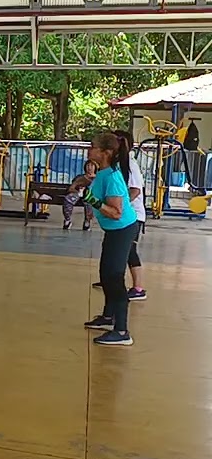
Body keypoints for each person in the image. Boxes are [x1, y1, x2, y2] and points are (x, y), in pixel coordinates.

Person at [81, 131, 141, 346]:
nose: (89, 150)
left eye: (93, 146)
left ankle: (122, 330)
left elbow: (116, 212)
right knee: (105, 273)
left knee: (114, 277)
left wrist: (93, 202)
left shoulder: (113, 177)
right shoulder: (105, 172)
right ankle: (108, 316)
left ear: (105, 152)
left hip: (122, 229)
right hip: (114, 230)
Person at [90, 130, 146, 300]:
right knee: (117, 260)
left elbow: (135, 189)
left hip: (132, 216)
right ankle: (111, 287)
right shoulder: (111, 169)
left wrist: (120, 206)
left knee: (129, 252)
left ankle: (137, 287)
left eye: (93, 147)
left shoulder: (129, 164)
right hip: (121, 220)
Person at [62, 160, 98, 231]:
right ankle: (67, 220)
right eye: (88, 165)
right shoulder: (80, 178)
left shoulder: (98, 178)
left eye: (91, 166)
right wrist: (78, 191)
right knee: (68, 199)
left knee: (90, 201)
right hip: (78, 194)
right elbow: (71, 188)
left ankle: (87, 221)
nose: (89, 168)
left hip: (90, 195)